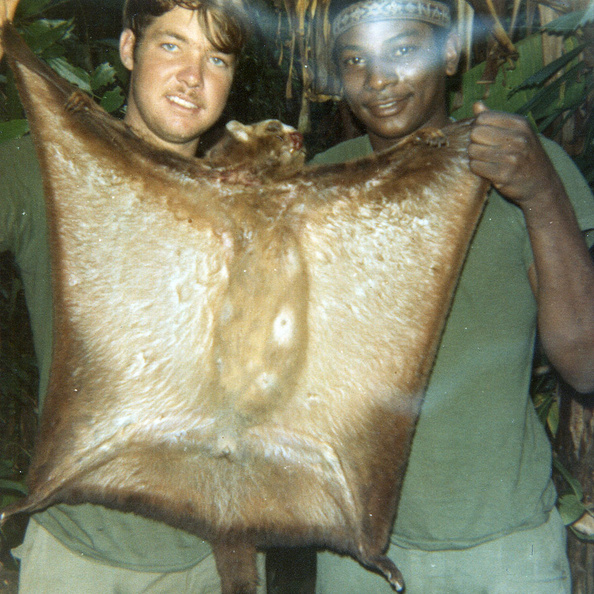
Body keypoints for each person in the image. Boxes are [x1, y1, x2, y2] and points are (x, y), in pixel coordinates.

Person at [306, 0, 594, 592]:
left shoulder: (521, 165)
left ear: (452, 53)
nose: (377, 78)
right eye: (355, 59)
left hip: (503, 548)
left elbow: (584, 362)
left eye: (404, 50)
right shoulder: (322, 180)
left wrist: (540, 194)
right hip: (356, 548)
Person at [0, 0, 268, 592]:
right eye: (171, 45)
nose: (192, 78)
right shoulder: (51, 167)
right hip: (81, 559)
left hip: (214, 560)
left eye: (216, 59)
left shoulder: (253, 203)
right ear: (128, 50)